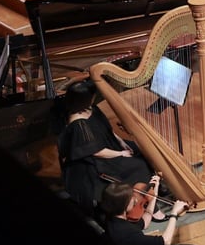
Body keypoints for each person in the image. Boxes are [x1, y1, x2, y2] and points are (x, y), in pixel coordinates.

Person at [55, 81, 158, 215]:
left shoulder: (91, 108)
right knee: (138, 165)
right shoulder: (78, 124)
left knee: (142, 150)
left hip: (110, 145)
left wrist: (121, 142)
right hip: (95, 161)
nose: (94, 98)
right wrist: (121, 153)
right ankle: (144, 203)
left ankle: (153, 188)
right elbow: (97, 152)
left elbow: (108, 130)